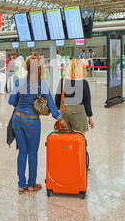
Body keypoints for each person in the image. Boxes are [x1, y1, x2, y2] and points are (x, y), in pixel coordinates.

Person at [8, 54, 64, 194]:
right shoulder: (42, 84)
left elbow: (11, 101)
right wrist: (60, 119)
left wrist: (21, 104)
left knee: (22, 152)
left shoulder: (19, 82)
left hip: (17, 119)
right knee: (32, 153)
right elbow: (51, 105)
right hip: (32, 122)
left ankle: (21, 185)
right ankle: (32, 185)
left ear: (27, 67)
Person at [55, 58, 94, 173]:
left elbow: (57, 100)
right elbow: (87, 101)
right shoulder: (83, 82)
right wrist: (90, 117)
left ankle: (67, 164)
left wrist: (59, 115)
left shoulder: (62, 81)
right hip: (79, 112)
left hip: (65, 112)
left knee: (65, 140)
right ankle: (82, 166)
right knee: (79, 140)